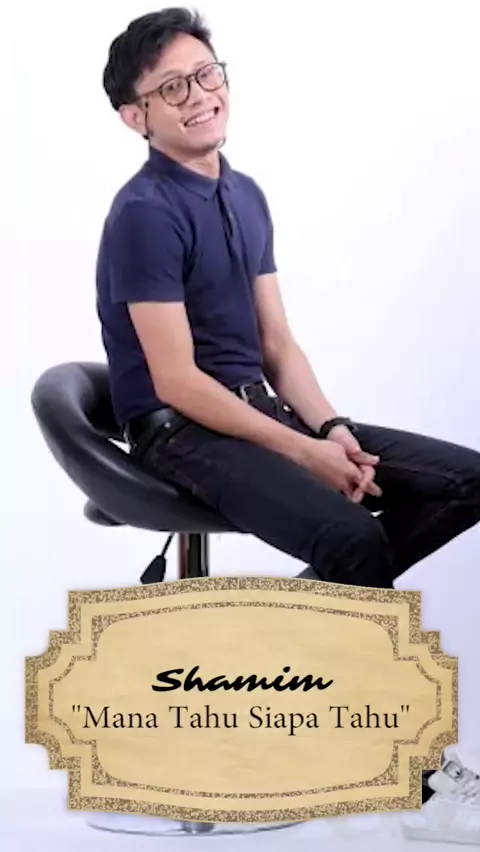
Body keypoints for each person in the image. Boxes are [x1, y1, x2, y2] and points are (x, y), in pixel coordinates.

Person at [96, 8, 480, 843]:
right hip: (180, 429)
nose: (200, 95)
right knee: (354, 541)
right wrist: (302, 452)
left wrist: (330, 427)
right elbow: (177, 380)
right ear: (136, 116)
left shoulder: (243, 191)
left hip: (252, 411)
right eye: (172, 88)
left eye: (207, 74)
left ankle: (257, 651)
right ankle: (415, 782)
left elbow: (276, 344)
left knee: (465, 480)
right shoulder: (144, 213)